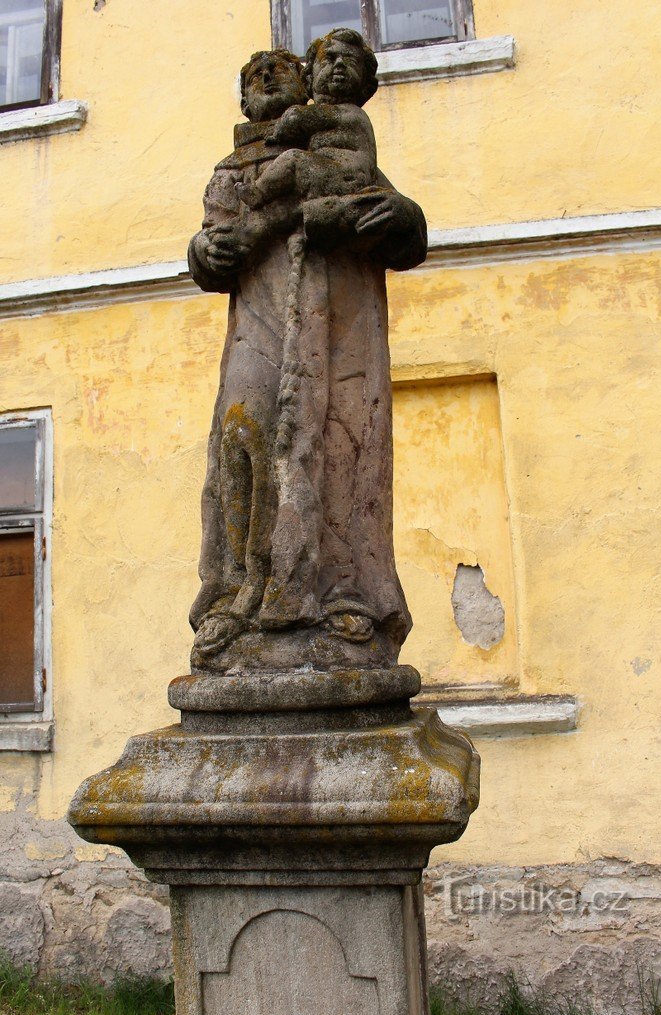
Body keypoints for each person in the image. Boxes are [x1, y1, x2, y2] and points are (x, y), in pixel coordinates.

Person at [187, 35, 428, 672]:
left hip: (340, 328)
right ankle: (235, 596)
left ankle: (346, 595)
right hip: (260, 325)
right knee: (244, 431)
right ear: (244, 100)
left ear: (307, 85)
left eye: (280, 69)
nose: (266, 79)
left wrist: (401, 215)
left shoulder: (337, 146)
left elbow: (405, 233)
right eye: (254, 75)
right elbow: (210, 245)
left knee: (341, 449)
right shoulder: (233, 169)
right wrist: (203, 251)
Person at [235, 29, 378, 211]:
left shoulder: (346, 113)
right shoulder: (233, 165)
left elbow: (295, 117)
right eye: (328, 59)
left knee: (293, 159)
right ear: (309, 78)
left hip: (343, 177)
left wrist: (277, 133)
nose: (339, 64)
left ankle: (258, 192)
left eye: (350, 61)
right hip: (333, 179)